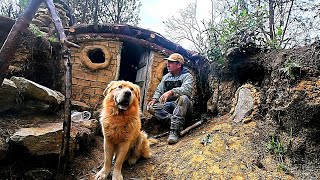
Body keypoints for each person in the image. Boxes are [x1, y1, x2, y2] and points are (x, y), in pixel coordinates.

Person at [147, 53, 193, 144]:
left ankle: (174, 131)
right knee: (152, 107)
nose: (167, 64)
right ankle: (175, 123)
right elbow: (159, 90)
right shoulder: (166, 77)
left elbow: (187, 90)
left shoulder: (187, 76)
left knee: (183, 98)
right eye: (168, 62)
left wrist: (171, 91)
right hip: (170, 106)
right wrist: (154, 99)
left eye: (171, 62)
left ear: (179, 64)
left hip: (183, 108)